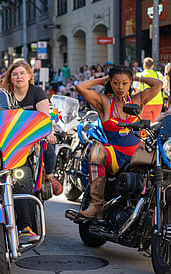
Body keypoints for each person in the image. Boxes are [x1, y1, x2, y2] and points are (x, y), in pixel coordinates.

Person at [68, 65, 162, 221]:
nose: (120, 87)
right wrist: (100, 80)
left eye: (125, 83)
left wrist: (137, 78)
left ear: (130, 83)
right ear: (110, 82)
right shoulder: (104, 102)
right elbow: (80, 87)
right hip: (115, 156)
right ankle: (96, 205)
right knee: (96, 149)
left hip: (138, 155)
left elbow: (158, 85)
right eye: (116, 82)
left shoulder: (137, 100)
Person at [1, 59, 63, 196]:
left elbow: (44, 117)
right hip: (11, 136)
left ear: (29, 76)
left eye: (23, 73)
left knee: (48, 151)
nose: (19, 77)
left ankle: (49, 176)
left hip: (34, 134)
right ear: (10, 78)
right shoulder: (3, 95)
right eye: (15, 74)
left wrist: (48, 133)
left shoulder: (37, 92)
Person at [135, 57, 165, 122]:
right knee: (154, 123)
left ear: (144, 66)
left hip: (146, 102)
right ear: (153, 66)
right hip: (158, 103)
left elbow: (136, 90)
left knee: (146, 124)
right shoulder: (158, 75)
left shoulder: (139, 76)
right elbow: (165, 85)